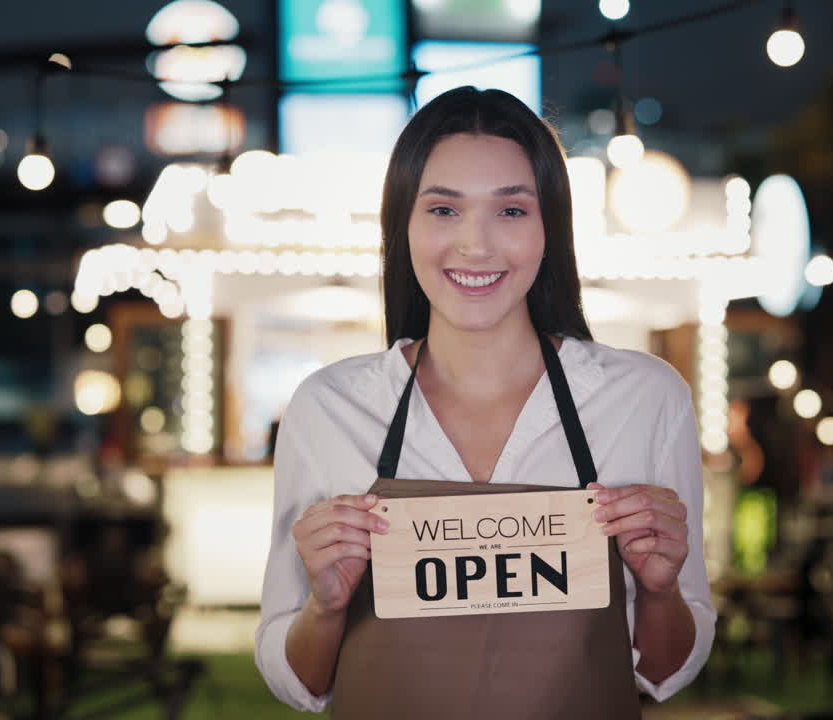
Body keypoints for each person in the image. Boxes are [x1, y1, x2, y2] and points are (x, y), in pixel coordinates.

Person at [255, 86, 715, 718]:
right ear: (403, 226)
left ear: (550, 226)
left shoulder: (645, 399)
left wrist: (660, 593)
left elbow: (665, 672)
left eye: (511, 211)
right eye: (443, 210)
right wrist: (324, 607)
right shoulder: (327, 408)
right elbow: (298, 680)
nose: (476, 245)